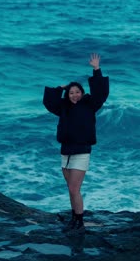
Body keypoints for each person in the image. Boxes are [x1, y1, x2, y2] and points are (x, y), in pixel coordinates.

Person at [43, 53, 109, 235]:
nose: (74, 95)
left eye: (77, 92)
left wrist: (96, 70)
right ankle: (74, 218)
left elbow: (101, 93)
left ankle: (79, 221)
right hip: (65, 152)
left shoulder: (90, 104)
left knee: (74, 188)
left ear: (82, 93)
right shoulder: (63, 107)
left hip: (81, 152)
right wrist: (60, 88)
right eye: (71, 93)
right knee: (71, 190)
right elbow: (48, 102)